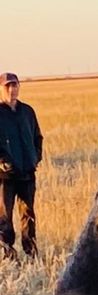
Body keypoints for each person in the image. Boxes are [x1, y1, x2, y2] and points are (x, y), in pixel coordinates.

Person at [0, 72, 43, 260]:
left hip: (27, 173)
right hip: (5, 177)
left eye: (15, 85)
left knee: (28, 215)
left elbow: (37, 137)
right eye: (7, 86)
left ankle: (31, 252)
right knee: (4, 218)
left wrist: (36, 158)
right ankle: (7, 254)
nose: (12, 89)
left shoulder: (27, 111)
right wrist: (2, 162)